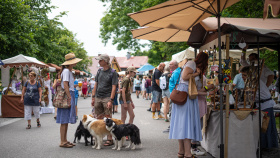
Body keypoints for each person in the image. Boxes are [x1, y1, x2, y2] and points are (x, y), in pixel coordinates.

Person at [169, 52, 209, 158]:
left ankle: (181, 152)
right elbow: (185, 76)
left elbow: (195, 88)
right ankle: (187, 153)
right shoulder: (192, 64)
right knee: (186, 124)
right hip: (185, 96)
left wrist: (207, 90)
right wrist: (196, 74)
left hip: (188, 96)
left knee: (183, 124)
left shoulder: (194, 67)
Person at [240, 66, 278, 149]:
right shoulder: (250, 82)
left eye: (244, 75)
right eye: (242, 75)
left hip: (266, 105)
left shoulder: (255, 82)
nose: (243, 77)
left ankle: (268, 146)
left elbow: (253, 94)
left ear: (249, 74)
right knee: (263, 126)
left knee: (266, 126)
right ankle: (264, 145)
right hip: (261, 104)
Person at [91, 54, 118, 146]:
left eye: (100, 60)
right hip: (98, 97)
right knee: (97, 118)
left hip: (107, 97)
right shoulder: (99, 71)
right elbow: (96, 85)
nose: (98, 62)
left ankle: (109, 139)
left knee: (108, 118)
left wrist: (111, 100)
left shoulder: (113, 72)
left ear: (105, 61)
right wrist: (93, 97)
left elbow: (114, 87)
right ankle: (98, 138)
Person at [57, 52, 82, 148]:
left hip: (69, 93)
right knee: (64, 119)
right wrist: (69, 96)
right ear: (71, 62)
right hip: (67, 95)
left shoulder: (68, 71)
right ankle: (62, 141)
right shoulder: (67, 71)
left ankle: (65, 140)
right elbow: (65, 85)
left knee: (65, 119)